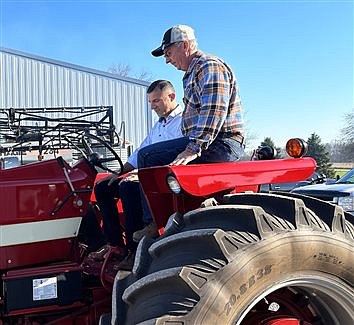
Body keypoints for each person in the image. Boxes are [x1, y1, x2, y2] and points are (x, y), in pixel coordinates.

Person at [88, 79, 183, 270]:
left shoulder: (183, 122)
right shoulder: (160, 125)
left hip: (166, 179)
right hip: (146, 173)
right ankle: (115, 244)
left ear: (171, 96)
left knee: (128, 187)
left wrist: (137, 175)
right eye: (150, 102)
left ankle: (134, 250)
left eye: (156, 101)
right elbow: (141, 151)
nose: (153, 106)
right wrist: (119, 172)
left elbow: (172, 155)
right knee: (103, 187)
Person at [137, 24, 245, 171]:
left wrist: (192, 149)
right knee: (134, 182)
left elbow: (213, 110)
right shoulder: (193, 73)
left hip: (222, 143)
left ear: (185, 46)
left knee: (147, 156)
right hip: (209, 143)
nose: (167, 60)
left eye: (168, 53)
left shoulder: (209, 66)